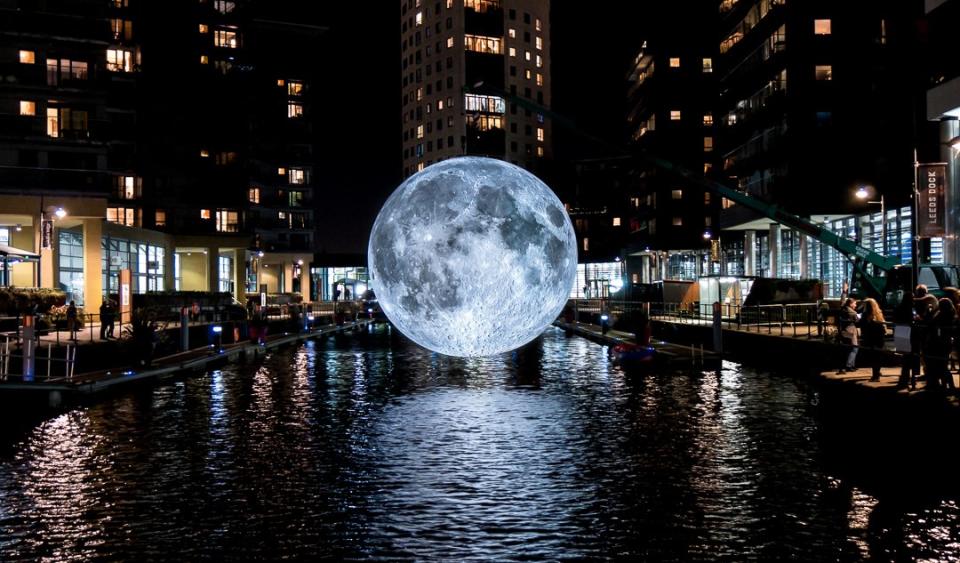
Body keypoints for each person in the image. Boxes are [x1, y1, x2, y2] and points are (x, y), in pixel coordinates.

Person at [926, 298, 956, 392]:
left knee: (941, 365)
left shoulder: (941, 316)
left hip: (939, 343)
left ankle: (948, 386)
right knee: (943, 365)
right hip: (946, 343)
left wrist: (930, 311)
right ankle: (948, 386)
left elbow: (933, 326)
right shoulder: (951, 314)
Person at [858, 297, 886, 381]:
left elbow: (861, 324)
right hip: (880, 337)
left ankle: (875, 376)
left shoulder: (866, 314)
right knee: (878, 356)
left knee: (873, 357)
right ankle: (877, 372)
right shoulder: (878, 313)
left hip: (871, 337)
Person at [837, 298, 860, 374]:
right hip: (851, 331)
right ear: (850, 304)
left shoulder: (843, 309)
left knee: (849, 349)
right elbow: (857, 321)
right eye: (855, 303)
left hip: (844, 330)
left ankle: (851, 365)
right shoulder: (852, 313)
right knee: (854, 348)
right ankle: (849, 366)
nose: (856, 305)